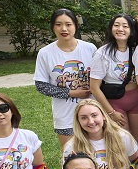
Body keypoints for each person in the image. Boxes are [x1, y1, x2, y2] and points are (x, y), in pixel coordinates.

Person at [34, 8, 96, 147]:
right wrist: (73, 93)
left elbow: (101, 77)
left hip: (92, 112)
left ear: (75, 26)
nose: (64, 28)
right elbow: (41, 85)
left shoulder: (89, 48)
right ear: (52, 27)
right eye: (58, 24)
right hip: (65, 115)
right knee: (70, 157)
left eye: (68, 24)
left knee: (96, 153)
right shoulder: (45, 53)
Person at [64, 99, 138, 169]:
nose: (90, 121)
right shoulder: (72, 146)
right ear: (78, 121)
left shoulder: (122, 137)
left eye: (94, 115)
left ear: (103, 116)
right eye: (84, 118)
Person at [89, 13, 138, 141]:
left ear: (131, 31)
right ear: (111, 29)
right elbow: (94, 88)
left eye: (125, 26)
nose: (120, 29)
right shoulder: (102, 53)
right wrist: (111, 112)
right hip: (115, 102)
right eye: (116, 25)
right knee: (123, 142)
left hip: (136, 100)